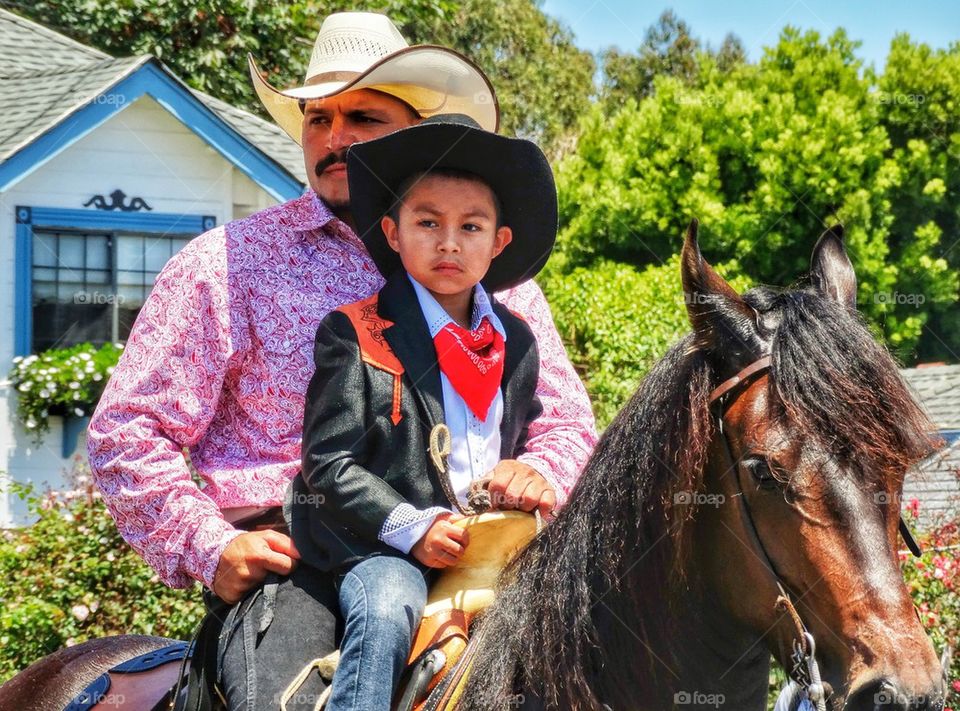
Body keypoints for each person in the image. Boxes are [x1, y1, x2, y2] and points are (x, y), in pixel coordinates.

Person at [87, 11, 597, 709]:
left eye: (363, 115)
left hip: (485, 555)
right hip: (303, 565)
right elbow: (126, 431)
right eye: (317, 118)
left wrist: (536, 471)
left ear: (411, 134)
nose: (335, 139)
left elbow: (566, 420)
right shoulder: (226, 265)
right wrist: (208, 545)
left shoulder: (494, 277)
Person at [290, 112, 557, 709]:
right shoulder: (354, 332)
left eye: (471, 226)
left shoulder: (517, 342)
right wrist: (413, 528)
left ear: (499, 242)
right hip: (379, 546)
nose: (449, 243)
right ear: (392, 231)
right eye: (427, 222)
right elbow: (327, 463)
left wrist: (529, 481)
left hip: (491, 542)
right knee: (387, 607)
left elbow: (523, 441)